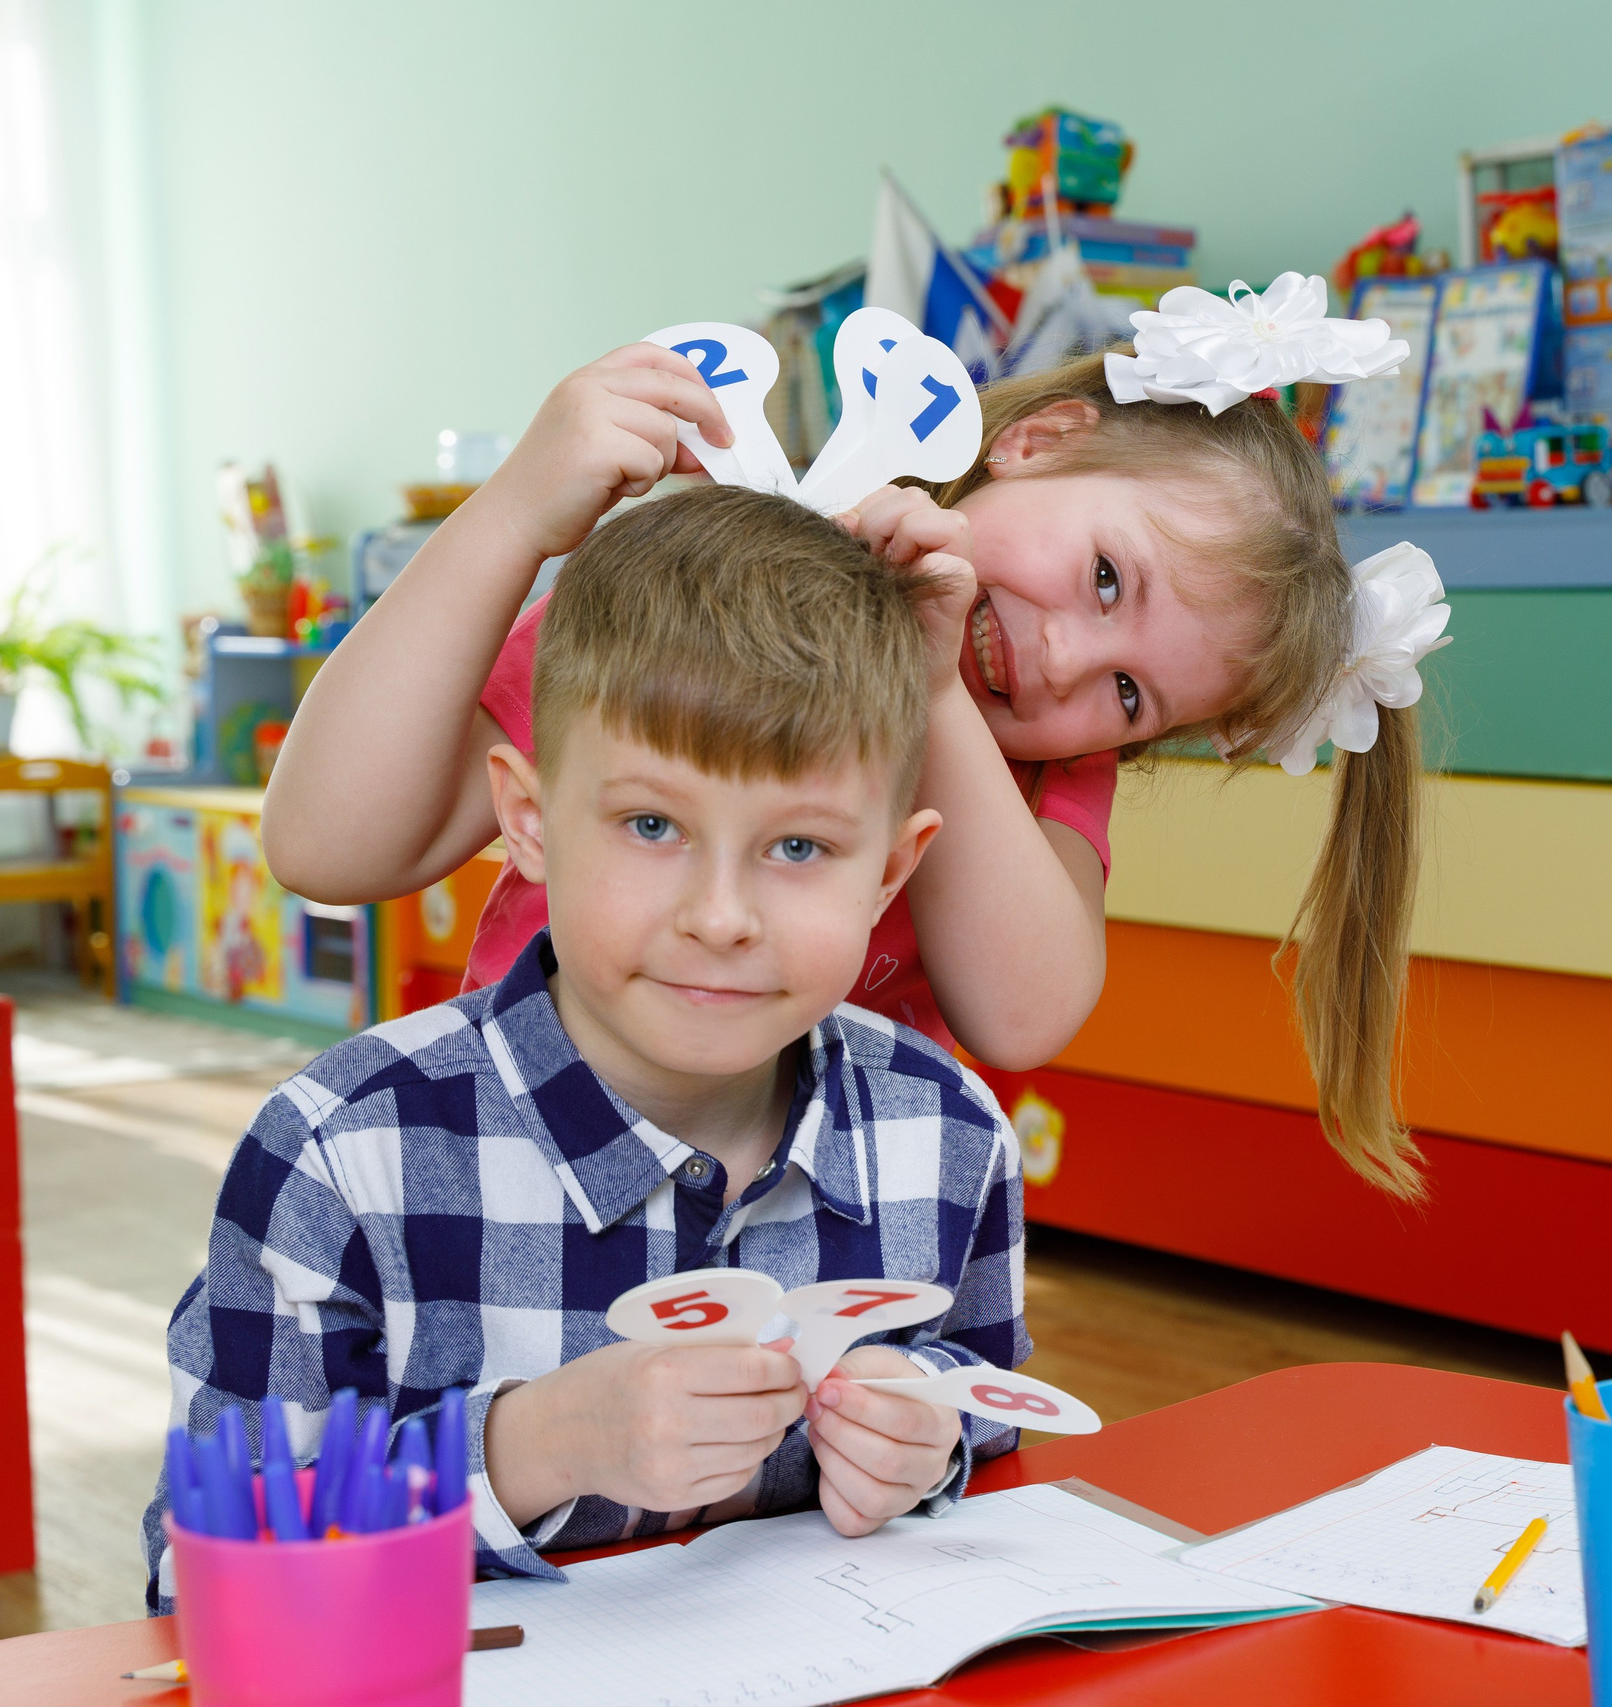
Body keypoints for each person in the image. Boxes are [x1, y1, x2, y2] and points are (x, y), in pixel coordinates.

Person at [264, 276, 1447, 1196]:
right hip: (519, 1173)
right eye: (1104, 577)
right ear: (1041, 442)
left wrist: (931, 688)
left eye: (1132, 697)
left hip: (823, 1229)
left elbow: (1023, 1018)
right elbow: (327, 846)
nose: (1064, 662)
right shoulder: (686, 602)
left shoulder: (1041, 771)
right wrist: (513, 513)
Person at [145, 487, 1024, 1605]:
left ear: (892, 871)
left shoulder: (947, 1133)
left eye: (799, 846)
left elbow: (989, 1419)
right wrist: (530, 1448)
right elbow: (199, 1576)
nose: (721, 917)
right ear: (527, 819)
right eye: (652, 826)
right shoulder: (342, 1156)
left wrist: (928, 1435)